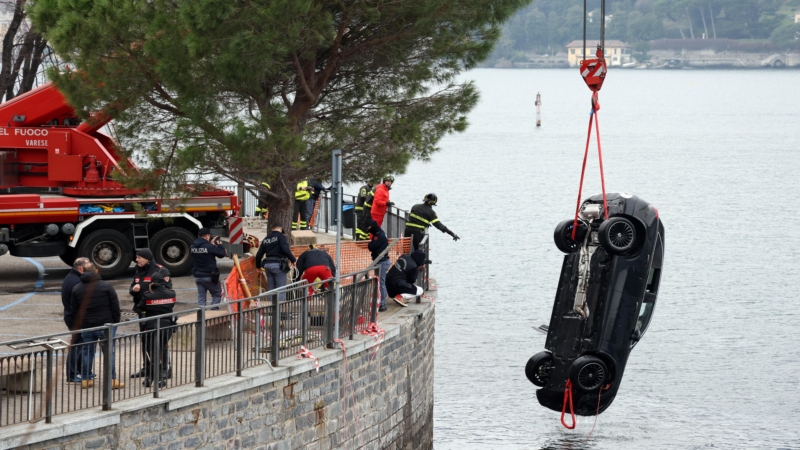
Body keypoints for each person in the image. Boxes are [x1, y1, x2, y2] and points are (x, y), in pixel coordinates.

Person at [66, 262, 124, 390]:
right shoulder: (106, 286)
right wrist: (115, 322)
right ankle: (111, 379)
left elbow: (74, 310)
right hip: (106, 325)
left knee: (87, 352)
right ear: (96, 271)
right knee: (109, 353)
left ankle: (86, 380)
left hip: (87, 325)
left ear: (83, 270)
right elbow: (115, 307)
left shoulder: (77, 288)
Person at [129, 248, 172, 379]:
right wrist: (134, 290)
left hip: (157, 312)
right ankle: (147, 367)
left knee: (160, 341)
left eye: (139, 257)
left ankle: (165, 368)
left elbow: (167, 289)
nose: (137, 260)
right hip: (142, 312)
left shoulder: (160, 270)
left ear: (147, 258)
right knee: (145, 340)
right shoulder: (138, 270)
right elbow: (132, 288)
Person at [137, 272, 177, 388]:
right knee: (160, 349)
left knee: (152, 352)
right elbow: (171, 306)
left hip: (152, 327)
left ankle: (157, 378)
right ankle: (156, 376)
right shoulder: (171, 293)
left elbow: (140, 307)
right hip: (167, 326)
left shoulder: (148, 295)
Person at [62, 257, 89, 383]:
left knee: (79, 344)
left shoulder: (71, 277)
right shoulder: (76, 282)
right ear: (81, 268)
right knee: (76, 346)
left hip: (73, 317)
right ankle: (72, 374)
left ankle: (80, 371)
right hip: (76, 319)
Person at [190, 228, 227, 309]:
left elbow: (204, 250)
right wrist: (219, 244)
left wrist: (210, 244)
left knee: (201, 298)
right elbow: (222, 254)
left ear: (198, 235)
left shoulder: (192, 246)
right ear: (207, 236)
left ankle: (201, 317)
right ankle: (213, 314)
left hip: (198, 276)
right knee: (217, 294)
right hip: (210, 276)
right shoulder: (209, 247)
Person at [256, 225, 297, 296]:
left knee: (271, 289)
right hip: (278, 265)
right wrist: (293, 260)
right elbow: (285, 250)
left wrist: (258, 266)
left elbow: (259, 255)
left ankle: (270, 306)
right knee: (280, 289)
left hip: (268, 266)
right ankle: (281, 306)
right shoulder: (281, 237)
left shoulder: (266, 239)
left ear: (272, 229)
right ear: (280, 229)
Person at [367, 221, 391, 312]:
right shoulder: (379, 233)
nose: (368, 230)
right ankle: (380, 302)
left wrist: (370, 244)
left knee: (381, 283)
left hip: (382, 261)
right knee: (380, 282)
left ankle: (382, 304)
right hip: (379, 261)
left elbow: (372, 246)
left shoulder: (379, 235)